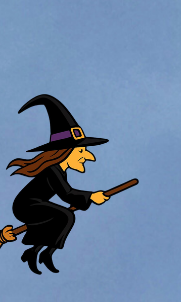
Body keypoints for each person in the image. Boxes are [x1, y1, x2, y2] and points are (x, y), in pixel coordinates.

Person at [9, 94, 110, 274]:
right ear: (66, 151)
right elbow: (67, 194)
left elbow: (68, 194)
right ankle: (46, 252)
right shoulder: (53, 170)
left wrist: (87, 198)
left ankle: (36, 251)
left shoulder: (59, 170)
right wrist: (91, 196)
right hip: (26, 206)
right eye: (81, 151)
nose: (89, 156)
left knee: (60, 218)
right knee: (65, 216)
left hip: (35, 205)